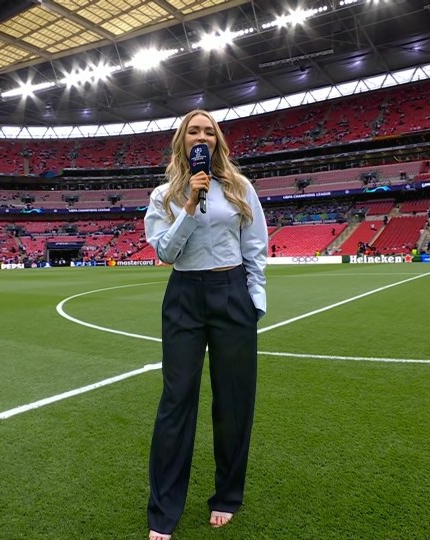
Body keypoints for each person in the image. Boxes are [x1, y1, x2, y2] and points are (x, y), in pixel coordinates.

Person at [144, 109, 268, 540]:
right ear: (182, 140)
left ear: (217, 141)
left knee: (234, 399)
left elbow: (255, 246)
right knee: (176, 400)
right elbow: (166, 253)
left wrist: (255, 300)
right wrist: (190, 205)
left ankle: (227, 496)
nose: (202, 136)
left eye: (209, 131)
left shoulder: (240, 187)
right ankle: (164, 510)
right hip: (184, 296)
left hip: (232, 291)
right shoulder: (164, 195)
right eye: (193, 130)